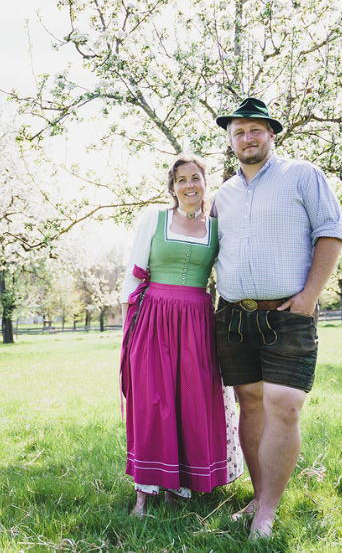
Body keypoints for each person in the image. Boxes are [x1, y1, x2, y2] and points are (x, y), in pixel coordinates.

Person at [211, 98, 342, 539]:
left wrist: (310, 296)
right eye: (238, 131)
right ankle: (257, 496)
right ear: (230, 141)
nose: (246, 138)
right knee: (248, 403)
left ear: (271, 133)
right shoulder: (222, 195)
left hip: (288, 314)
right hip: (234, 318)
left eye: (255, 129)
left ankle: (266, 513)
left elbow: (331, 230)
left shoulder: (303, 176)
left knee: (284, 406)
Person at [120, 153, 243, 517]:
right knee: (152, 401)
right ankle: (144, 491)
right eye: (181, 180)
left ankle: (179, 486)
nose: (189, 185)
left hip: (196, 321)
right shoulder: (155, 220)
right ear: (172, 188)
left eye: (195, 178)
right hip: (153, 318)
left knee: (191, 399)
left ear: (206, 183)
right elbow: (132, 274)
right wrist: (127, 333)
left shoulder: (218, 228)